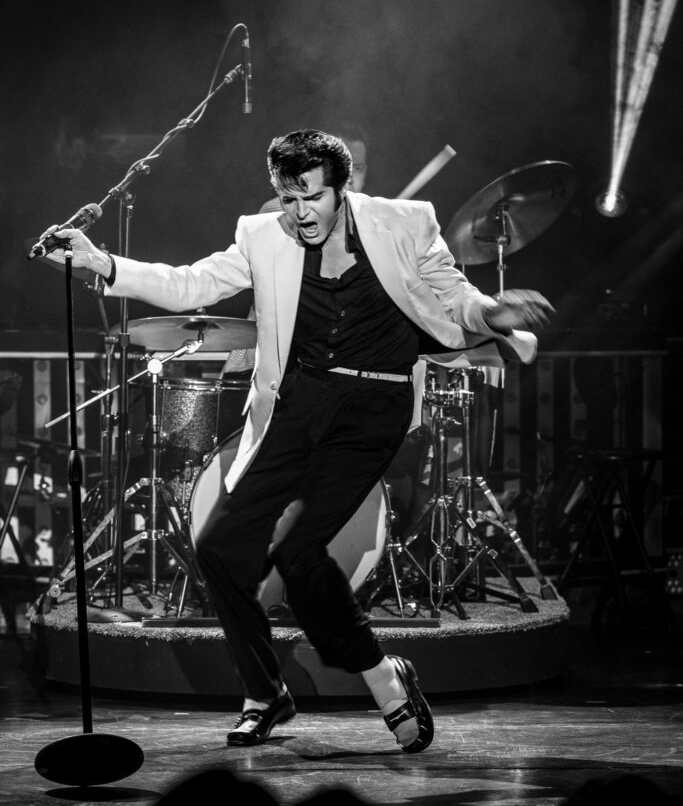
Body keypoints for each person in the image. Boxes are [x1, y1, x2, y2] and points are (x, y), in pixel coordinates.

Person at [45, 128, 553, 753]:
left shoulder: (405, 223)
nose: (299, 212)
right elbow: (192, 284)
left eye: (311, 196)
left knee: (297, 549)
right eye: (288, 198)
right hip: (298, 405)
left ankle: (382, 676)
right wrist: (102, 263)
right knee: (218, 547)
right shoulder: (263, 235)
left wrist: (494, 315)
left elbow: (457, 299)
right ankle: (265, 691)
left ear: (342, 188)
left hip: (374, 406)